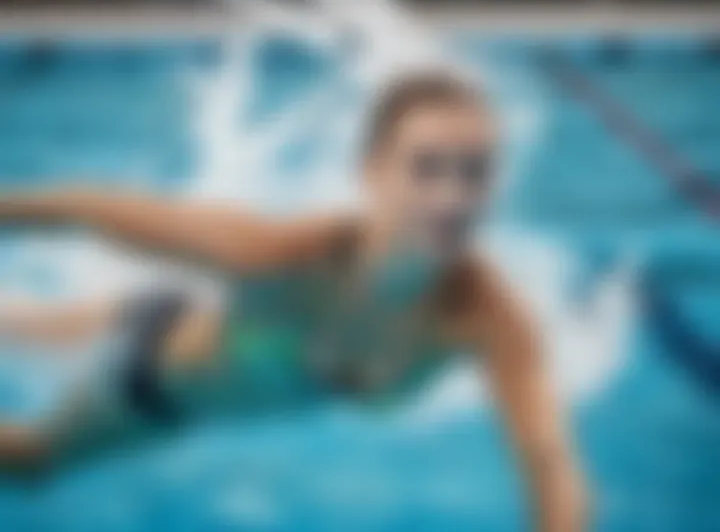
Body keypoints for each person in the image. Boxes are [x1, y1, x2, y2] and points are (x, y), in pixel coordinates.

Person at [0, 72, 587, 530]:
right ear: (371, 172)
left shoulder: (488, 318)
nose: (453, 196)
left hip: (195, 323)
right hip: (147, 373)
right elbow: (91, 210)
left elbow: (549, 463)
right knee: (30, 461)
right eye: (427, 169)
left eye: (475, 172)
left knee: (16, 321)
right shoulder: (287, 255)